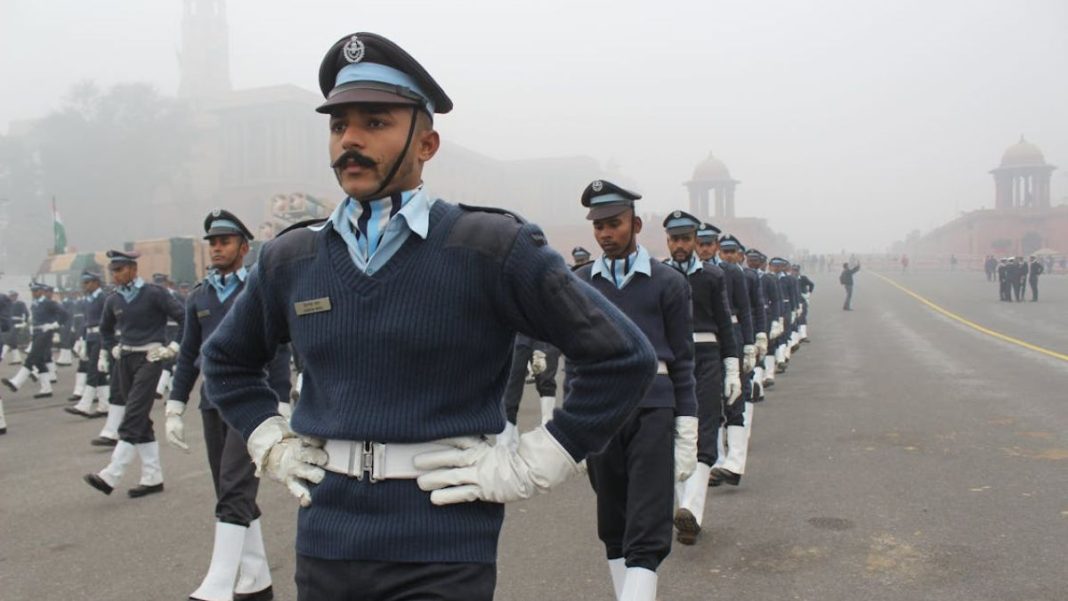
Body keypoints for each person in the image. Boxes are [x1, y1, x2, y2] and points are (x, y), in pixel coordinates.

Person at [199, 33, 657, 601]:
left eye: (376, 122)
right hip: (327, 540)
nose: (351, 141)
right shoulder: (292, 258)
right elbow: (225, 360)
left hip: (444, 543)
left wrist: (539, 460)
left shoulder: (489, 246)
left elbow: (622, 357)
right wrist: (270, 440)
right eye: (339, 125)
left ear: (427, 143)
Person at [571, 181, 696, 600]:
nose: (606, 233)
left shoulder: (667, 283)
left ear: (636, 223)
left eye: (614, 224)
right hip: (602, 412)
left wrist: (688, 423)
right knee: (613, 521)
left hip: (653, 408)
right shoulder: (582, 283)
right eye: (599, 226)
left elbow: (683, 359)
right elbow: (576, 356)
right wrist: (572, 424)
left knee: (647, 523)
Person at [166, 210, 290, 601]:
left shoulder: (258, 287)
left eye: (225, 241)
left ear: (243, 246)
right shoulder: (199, 296)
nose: (217, 248)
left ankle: (220, 582)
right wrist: (174, 403)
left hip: (252, 400)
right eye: (213, 243)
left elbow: (279, 347)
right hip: (211, 401)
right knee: (227, 486)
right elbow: (189, 354)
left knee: (235, 484)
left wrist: (283, 401)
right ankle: (255, 582)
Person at [661, 210, 738, 546]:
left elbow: (725, 323)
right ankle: (683, 506)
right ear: (668, 241)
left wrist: (732, 366)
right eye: (674, 239)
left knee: (706, 427)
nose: (680, 245)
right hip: (673, 361)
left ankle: (692, 509)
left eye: (686, 239)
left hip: (706, 357)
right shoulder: (659, 275)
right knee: (675, 429)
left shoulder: (712, 276)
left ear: (695, 240)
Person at [83, 250, 185, 498]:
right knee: (140, 418)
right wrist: (112, 348)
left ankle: (112, 474)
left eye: (119, 270)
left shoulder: (154, 293)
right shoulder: (114, 299)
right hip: (125, 359)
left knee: (134, 413)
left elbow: (184, 318)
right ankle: (153, 476)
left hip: (151, 358)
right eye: (112, 271)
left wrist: (173, 347)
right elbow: (106, 330)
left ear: (132, 269)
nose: (115, 275)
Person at [2, 283, 68, 398]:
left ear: (41, 291)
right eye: (32, 291)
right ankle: (46, 389)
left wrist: (53, 325)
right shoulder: (35, 304)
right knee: (39, 361)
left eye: (35, 291)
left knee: (31, 358)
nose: (33, 293)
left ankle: (16, 382)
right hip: (37, 333)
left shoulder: (48, 303)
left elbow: (64, 314)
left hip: (45, 333)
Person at [65, 271, 111, 418]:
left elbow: (108, 321)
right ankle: (105, 406)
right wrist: (82, 340)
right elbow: (86, 321)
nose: (84, 286)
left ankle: (84, 405)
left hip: (100, 336)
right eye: (84, 283)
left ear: (96, 282)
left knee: (92, 371)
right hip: (90, 336)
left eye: (87, 283)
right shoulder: (89, 299)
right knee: (100, 374)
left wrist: (105, 344)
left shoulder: (103, 298)